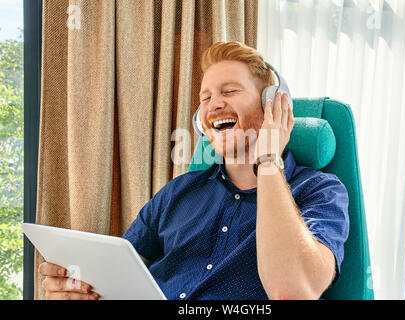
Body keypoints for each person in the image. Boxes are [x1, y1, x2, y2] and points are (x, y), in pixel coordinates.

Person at [38, 41, 349, 300]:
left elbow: (293, 291)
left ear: (271, 105)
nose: (213, 105)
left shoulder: (320, 191)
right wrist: (81, 287)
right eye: (206, 97)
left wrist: (268, 159)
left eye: (229, 91)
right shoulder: (177, 192)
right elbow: (120, 274)